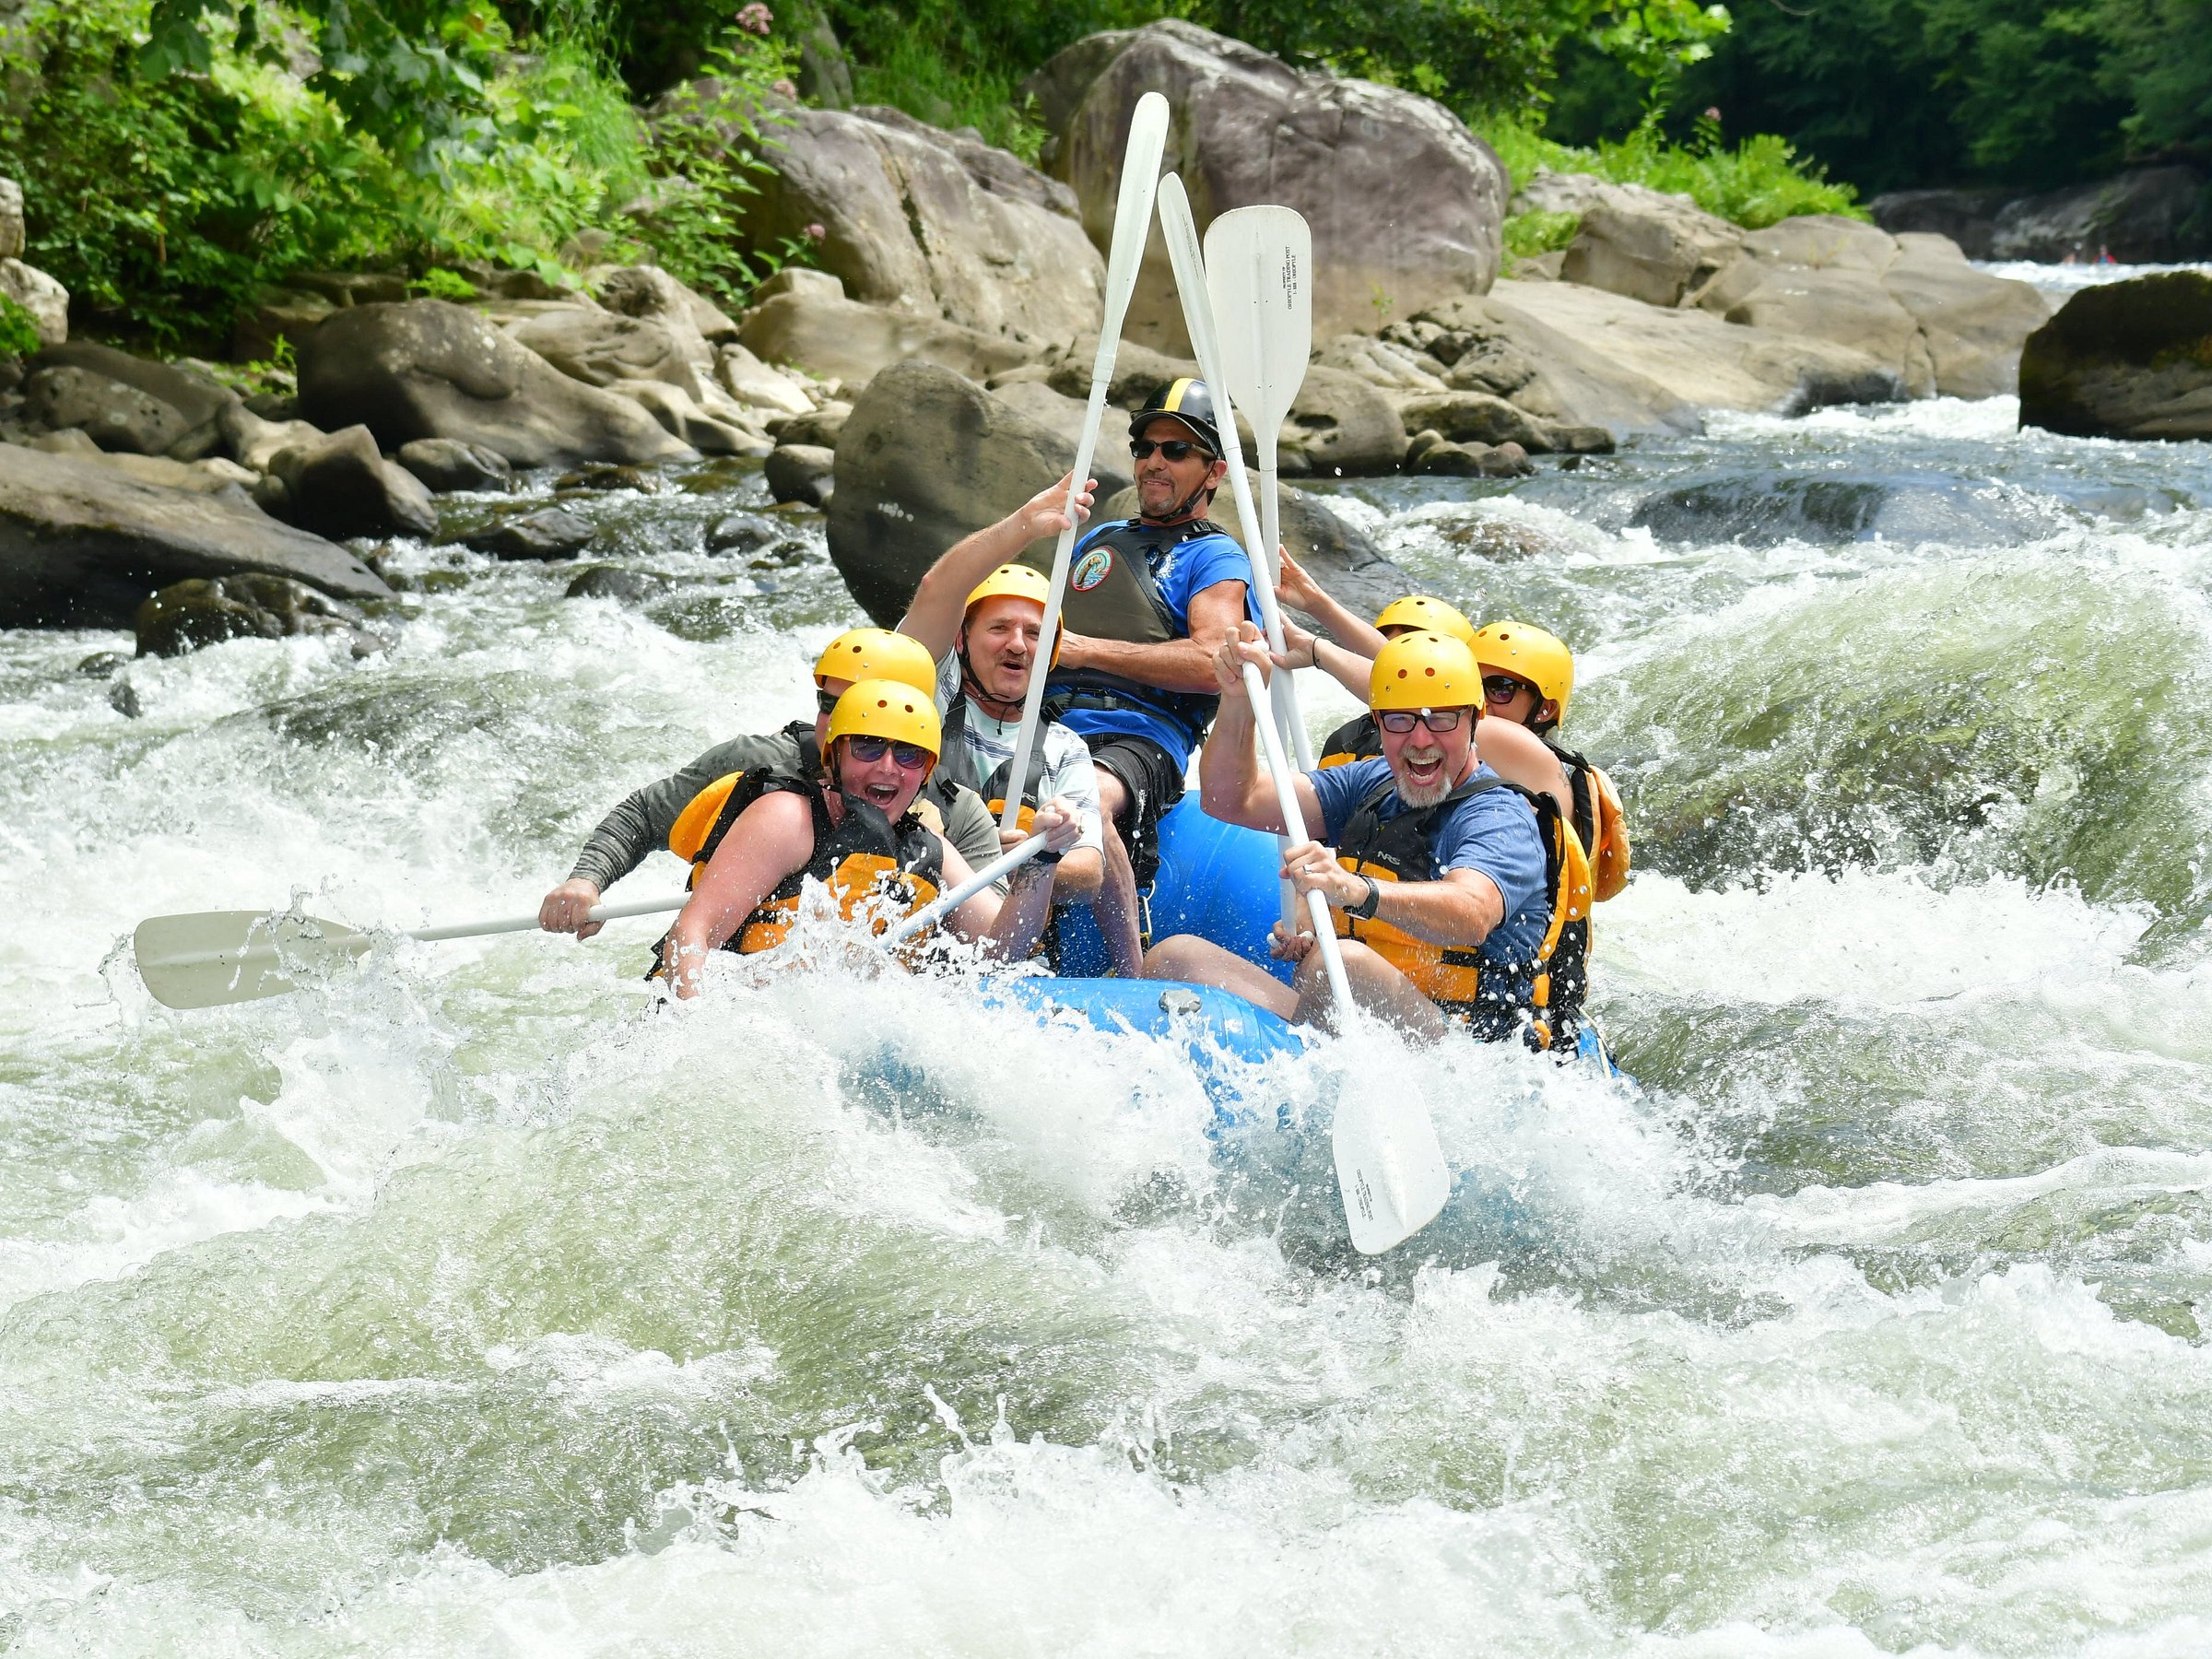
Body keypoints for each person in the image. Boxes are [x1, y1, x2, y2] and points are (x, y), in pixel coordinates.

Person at [1145, 628, 1589, 1047]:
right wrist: (1239, 699)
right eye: (1399, 720)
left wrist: (1355, 891)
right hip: (1360, 1016)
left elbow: (1472, 912)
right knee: (1177, 957)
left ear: (1474, 722)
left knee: (1340, 966)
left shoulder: (1498, 814)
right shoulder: (1374, 782)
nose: (1419, 739)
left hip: (1464, 1046)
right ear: (1377, 723)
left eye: (1441, 721)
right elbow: (1231, 800)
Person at [539, 628, 1005, 940]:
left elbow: (996, 938)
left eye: (862, 709)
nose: (833, 722)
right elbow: (642, 816)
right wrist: (586, 881)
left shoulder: (955, 813)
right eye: (829, 703)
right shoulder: (757, 764)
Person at [1031, 378, 1263, 963]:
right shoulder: (1103, 536)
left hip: (1139, 736)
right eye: (1146, 448)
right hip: (1047, 721)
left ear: (1213, 471)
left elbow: (1215, 661)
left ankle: (1128, 968)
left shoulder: (1215, 558)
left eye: (1177, 450)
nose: (1154, 462)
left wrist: (1083, 651)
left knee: (1088, 796)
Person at [659, 680, 1083, 997]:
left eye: (908, 754)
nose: (887, 767)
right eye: (867, 746)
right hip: (741, 1018)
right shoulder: (788, 819)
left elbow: (1001, 951)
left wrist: (1041, 861)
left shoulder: (928, 848)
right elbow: (694, 933)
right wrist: (696, 1030)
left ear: (925, 773)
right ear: (835, 756)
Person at [898, 489, 1123, 962]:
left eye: (1034, 633)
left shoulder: (1064, 747)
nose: (1018, 645)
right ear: (962, 639)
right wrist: (1022, 525)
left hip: (1009, 955)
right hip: (910, 928)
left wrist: (1033, 858)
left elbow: (1089, 873)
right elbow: (938, 589)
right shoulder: (926, 699)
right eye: (999, 628)